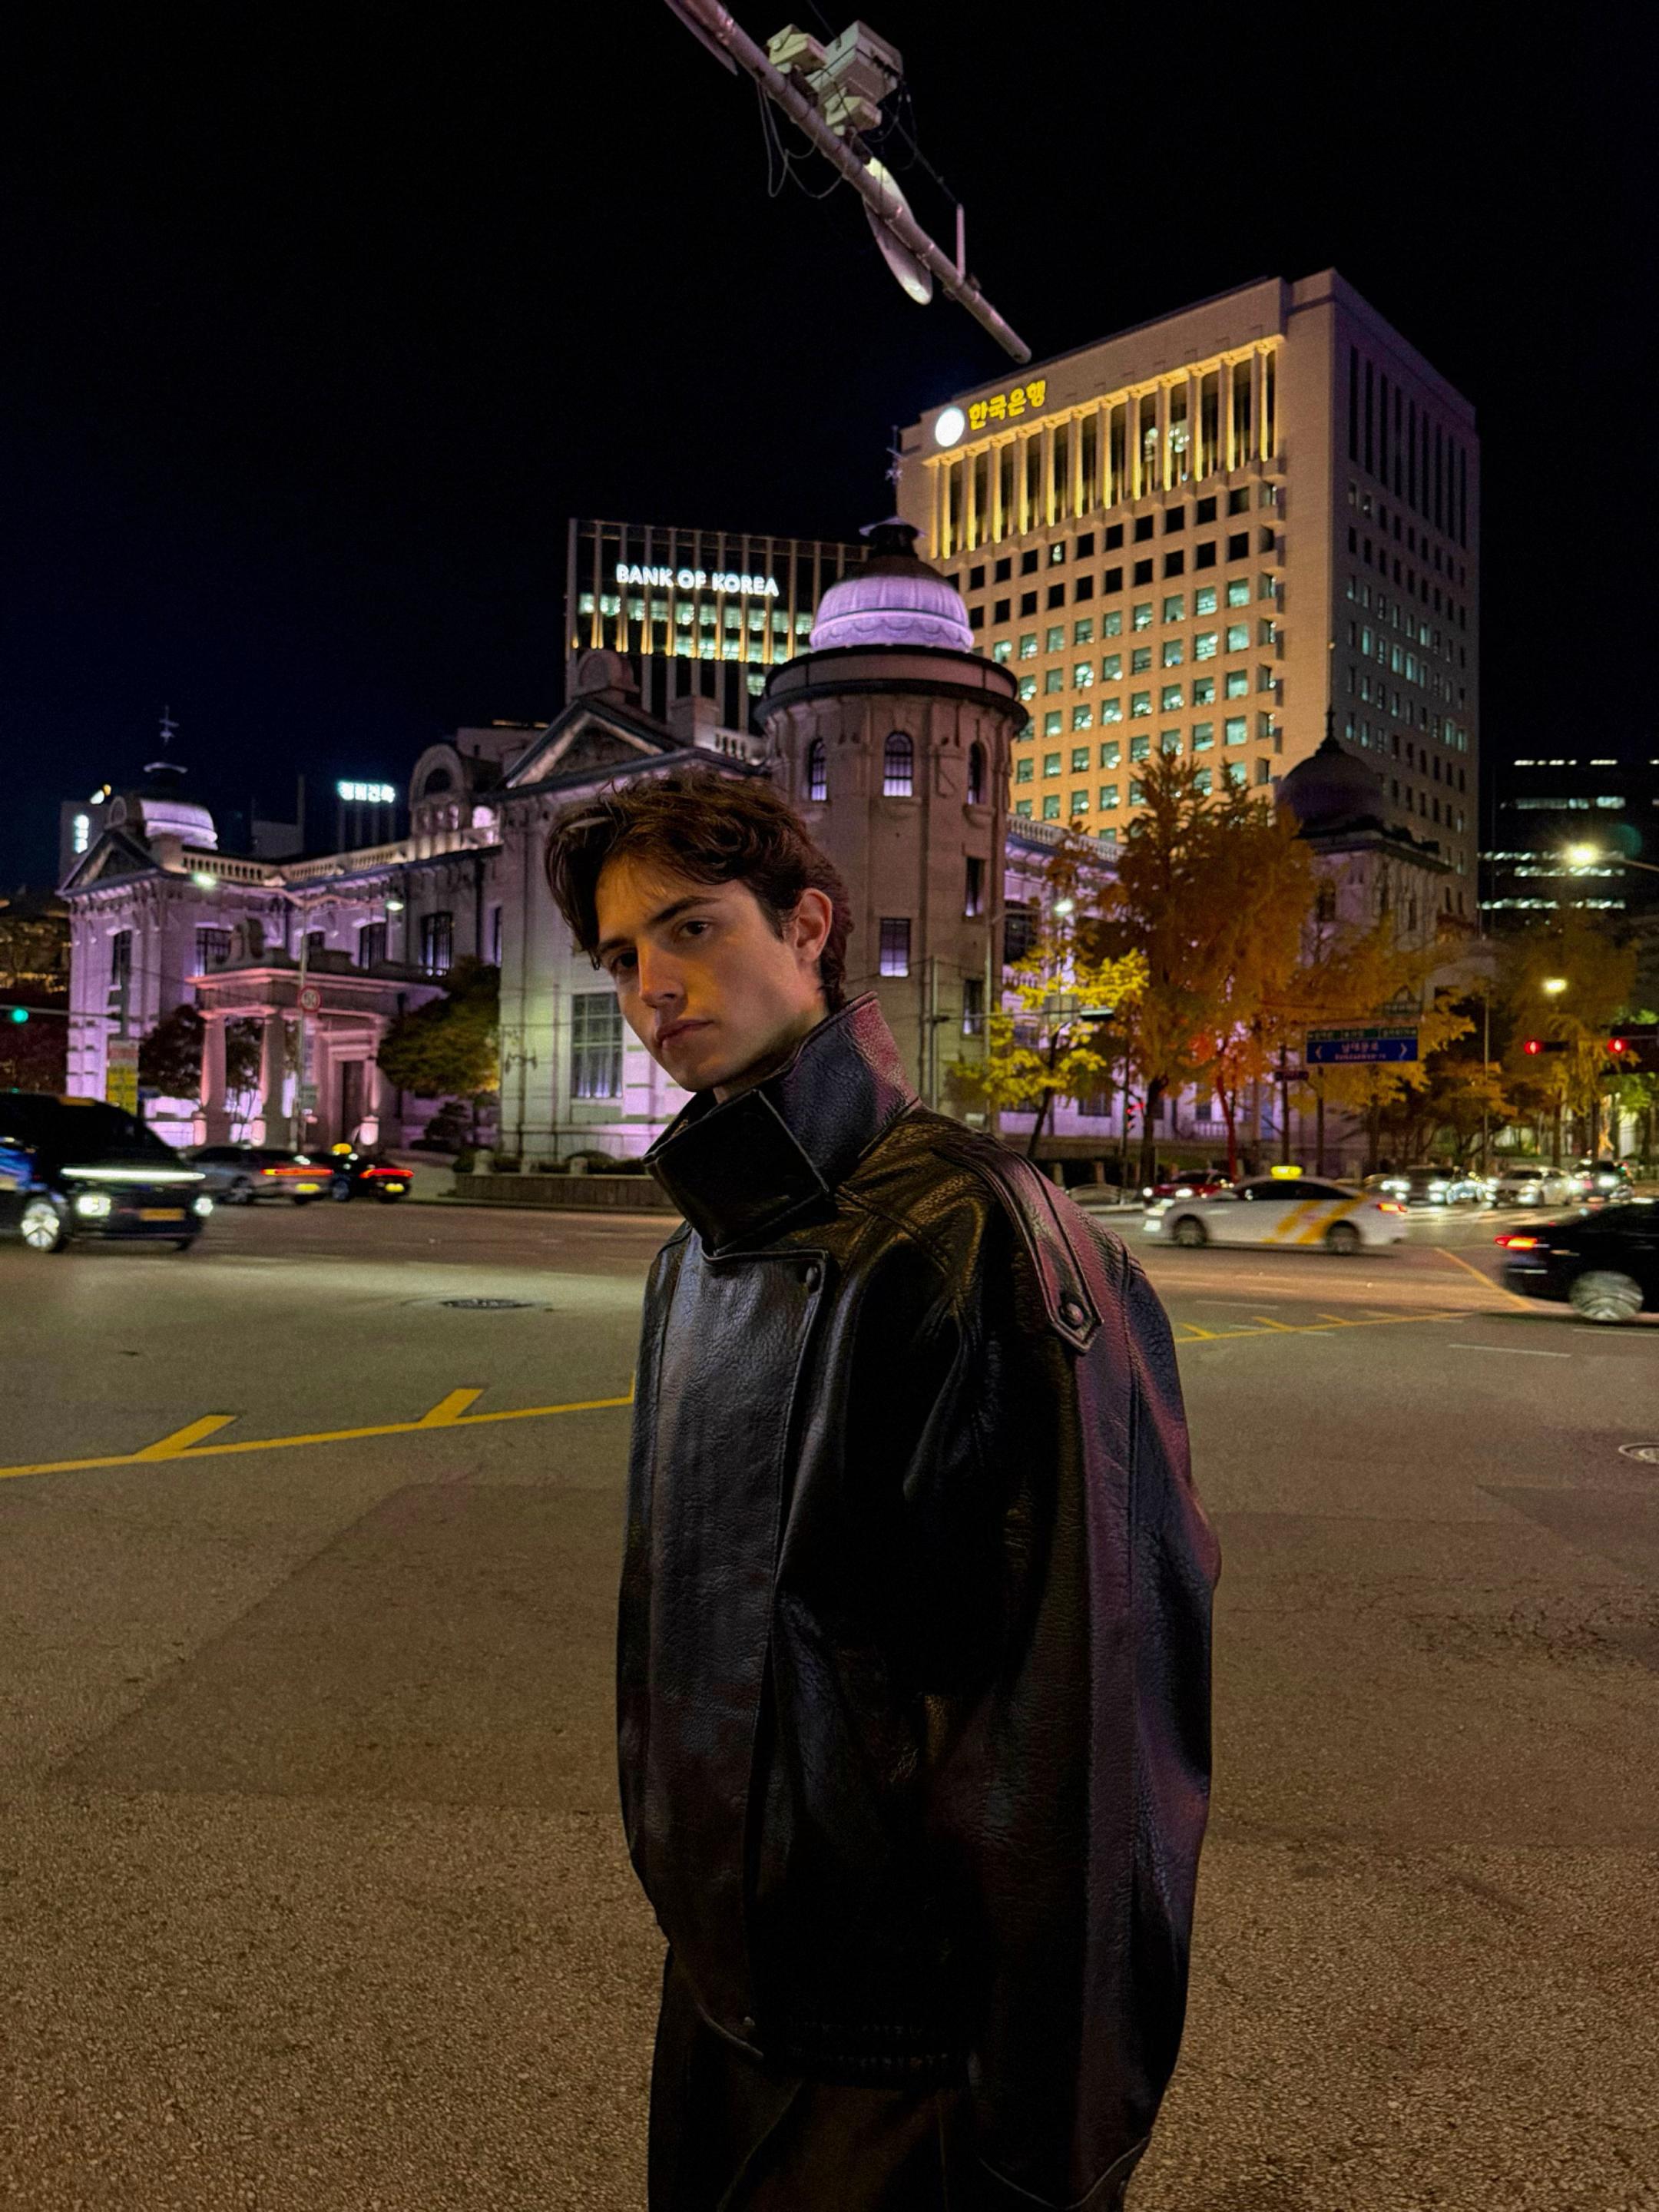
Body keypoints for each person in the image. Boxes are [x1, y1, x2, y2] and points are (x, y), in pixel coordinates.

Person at [545, 770, 1220, 2212]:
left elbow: (1088, 1715)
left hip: (906, 2059)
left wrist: (1049, 2139)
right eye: (621, 956)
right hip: (729, 1999)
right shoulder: (694, 1255)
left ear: (807, 927)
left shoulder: (975, 1233)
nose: (654, 986)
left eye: (692, 928)